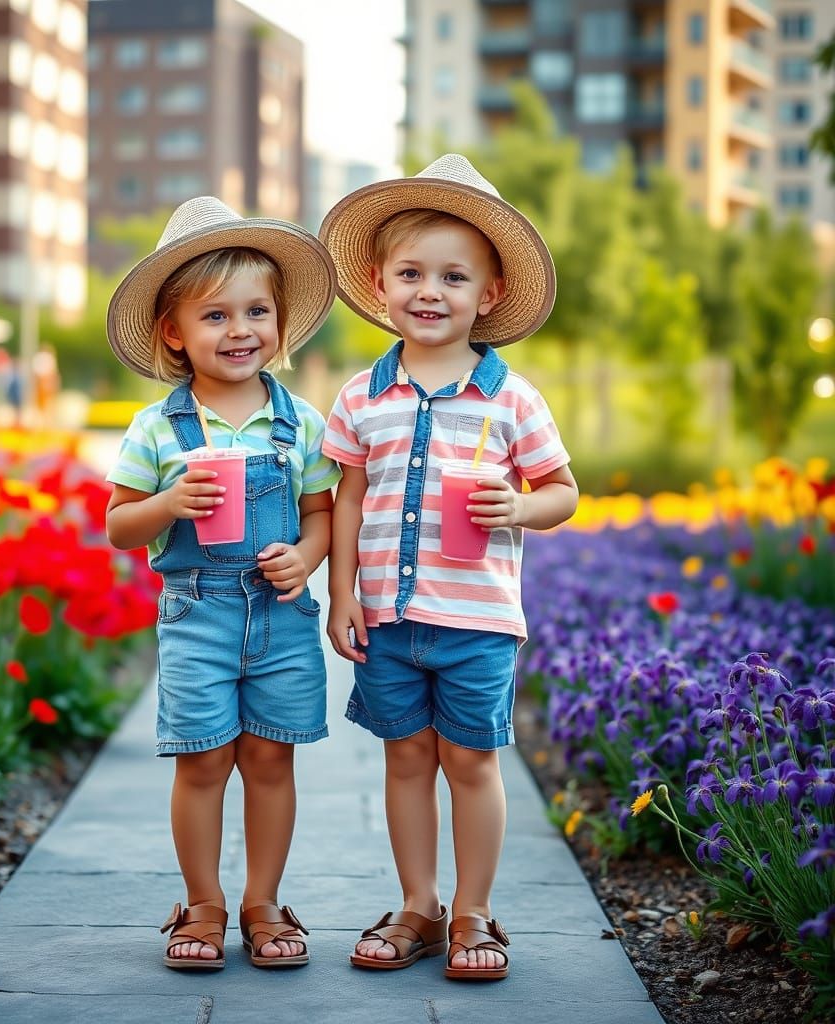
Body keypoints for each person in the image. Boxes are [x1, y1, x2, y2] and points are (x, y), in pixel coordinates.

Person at [320, 154, 579, 981]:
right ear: (378, 281)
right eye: (411, 273)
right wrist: (343, 596)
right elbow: (347, 498)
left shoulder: (512, 399)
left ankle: (474, 911)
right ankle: (419, 907)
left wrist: (521, 507)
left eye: (454, 277)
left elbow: (564, 491)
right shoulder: (363, 394)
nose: (430, 291)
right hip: (391, 618)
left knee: (470, 760)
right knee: (405, 758)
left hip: (477, 619)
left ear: (489, 294)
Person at [103, 196, 341, 971]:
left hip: (281, 614)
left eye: (257, 312)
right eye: (215, 316)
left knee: (272, 758)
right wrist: (168, 504)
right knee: (204, 759)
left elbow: (321, 512)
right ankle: (201, 903)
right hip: (198, 611)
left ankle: (262, 901)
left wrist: (307, 556)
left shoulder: (299, 421)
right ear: (174, 332)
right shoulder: (157, 428)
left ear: (279, 322)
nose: (240, 331)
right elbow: (119, 525)